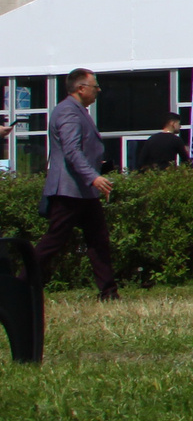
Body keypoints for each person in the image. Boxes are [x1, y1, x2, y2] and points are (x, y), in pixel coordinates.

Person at [34, 68, 118, 301]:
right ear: (81, 88)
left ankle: (109, 293)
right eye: (95, 86)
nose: (98, 91)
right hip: (69, 190)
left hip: (82, 190)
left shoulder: (77, 110)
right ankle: (20, 284)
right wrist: (93, 176)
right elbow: (71, 151)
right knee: (54, 241)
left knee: (98, 240)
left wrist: (97, 167)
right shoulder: (68, 112)